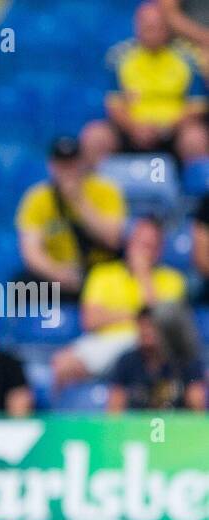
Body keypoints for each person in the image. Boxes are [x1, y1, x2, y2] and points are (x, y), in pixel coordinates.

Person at [54, 218, 187, 387]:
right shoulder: (102, 274)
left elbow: (161, 324)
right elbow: (91, 320)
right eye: (139, 243)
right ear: (129, 243)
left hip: (150, 343)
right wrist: (136, 315)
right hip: (108, 340)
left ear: (159, 251)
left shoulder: (173, 281)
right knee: (62, 364)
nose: (143, 251)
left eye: (149, 246)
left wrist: (143, 276)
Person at [82, 1, 209, 166]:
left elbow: (196, 107)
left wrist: (165, 127)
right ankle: (97, 189)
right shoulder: (119, 57)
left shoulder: (188, 59)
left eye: (157, 27)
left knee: (195, 138)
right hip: (131, 129)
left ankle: (200, 190)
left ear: (167, 28)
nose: (152, 33)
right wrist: (135, 128)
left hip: (173, 130)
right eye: (148, 27)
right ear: (137, 27)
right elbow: (114, 104)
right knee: (95, 136)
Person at [15, 136, 126, 301]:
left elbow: (113, 239)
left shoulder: (106, 190)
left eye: (72, 163)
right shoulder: (37, 198)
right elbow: (31, 252)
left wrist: (79, 201)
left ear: (82, 163)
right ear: (51, 166)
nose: (68, 169)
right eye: (62, 164)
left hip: (99, 269)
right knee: (20, 287)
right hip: (59, 270)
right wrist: (59, 274)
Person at [108, 307, 207, 410]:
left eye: (151, 326)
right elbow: (114, 409)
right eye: (141, 325)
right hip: (138, 424)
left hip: (177, 423)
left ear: (166, 330)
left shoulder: (185, 360)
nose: (145, 331)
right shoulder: (126, 361)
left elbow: (198, 408)